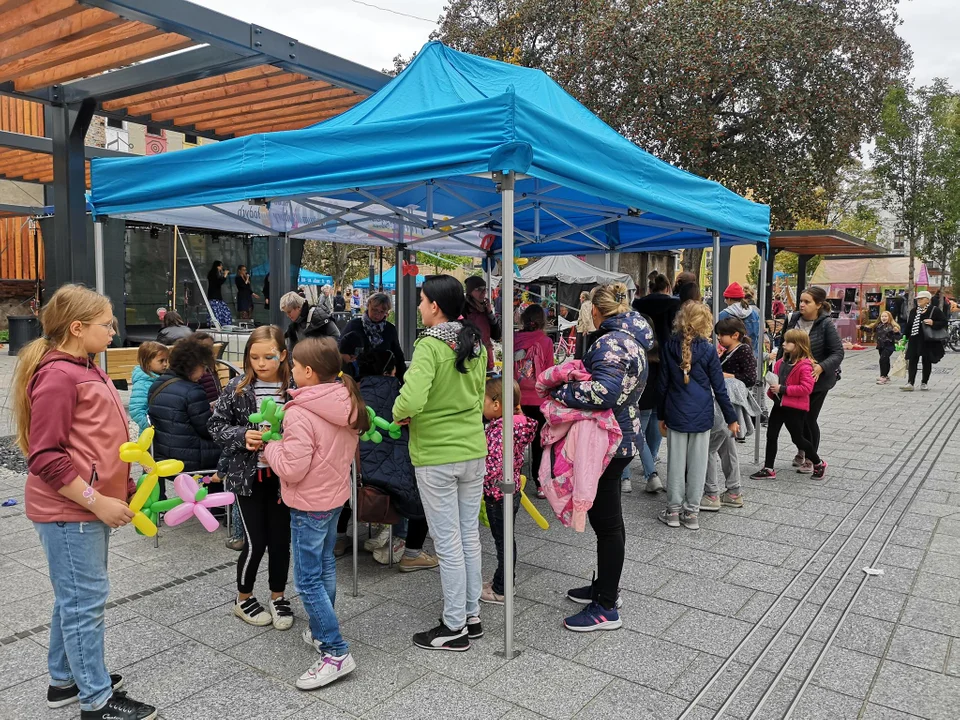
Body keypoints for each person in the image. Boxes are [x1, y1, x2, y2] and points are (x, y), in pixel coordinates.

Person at [14, 285, 156, 720]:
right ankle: (95, 700)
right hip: (70, 511)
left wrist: (124, 487)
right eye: (106, 324)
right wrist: (97, 502)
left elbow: (96, 440)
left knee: (73, 597)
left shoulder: (86, 367)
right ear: (77, 328)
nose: (114, 331)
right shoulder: (59, 376)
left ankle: (65, 680)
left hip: (84, 507)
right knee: (84, 602)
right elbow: (45, 458)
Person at [262, 337, 367, 689]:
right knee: (323, 566)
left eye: (292, 367)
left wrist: (269, 446)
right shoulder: (347, 399)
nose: (289, 372)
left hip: (308, 504)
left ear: (308, 372)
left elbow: (291, 468)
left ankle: (336, 651)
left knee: (307, 578)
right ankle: (322, 632)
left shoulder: (301, 411)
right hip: (335, 497)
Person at [392, 275, 487, 652]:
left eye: (421, 300)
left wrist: (400, 413)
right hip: (471, 449)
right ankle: (471, 615)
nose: (418, 306)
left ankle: (453, 627)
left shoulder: (430, 345)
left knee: (447, 542)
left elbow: (411, 399)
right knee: (468, 537)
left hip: (436, 455)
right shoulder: (474, 342)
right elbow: (480, 395)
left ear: (435, 306)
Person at [553, 283, 652, 632]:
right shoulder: (628, 337)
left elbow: (605, 391)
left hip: (611, 440)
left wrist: (562, 390)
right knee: (608, 522)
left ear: (595, 310)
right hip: (621, 436)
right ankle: (605, 587)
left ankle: (606, 606)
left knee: (607, 524)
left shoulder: (611, 342)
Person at [208, 326, 295, 629]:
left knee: (281, 540)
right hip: (247, 477)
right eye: (254, 357)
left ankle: (278, 596)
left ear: (283, 355)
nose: (261, 363)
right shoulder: (236, 388)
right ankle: (243, 599)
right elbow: (215, 427)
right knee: (256, 541)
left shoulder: (294, 387)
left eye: (268, 356)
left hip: (284, 477)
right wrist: (243, 434)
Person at [658, 302, 739, 530]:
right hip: (702, 413)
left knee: (675, 464)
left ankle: (673, 511)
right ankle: (691, 514)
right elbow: (719, 388)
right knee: (698, 464)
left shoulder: (669, 346)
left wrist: (661, 415)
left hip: (675, 411)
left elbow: (662, 385)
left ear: (681, 320)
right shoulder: (709, 349)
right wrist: (731, 418)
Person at [355, 349, 437, 570]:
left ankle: (347, 540)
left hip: (355, 476)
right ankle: (411, 552)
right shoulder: (399, 393)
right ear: (390, 370)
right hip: (388, 476)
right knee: (422, 491)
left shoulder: (353, 392)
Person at [772, 287, 843, 473]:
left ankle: (812, 458)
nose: (802, 305)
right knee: (796, 418)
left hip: (817, 380)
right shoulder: (793, 319)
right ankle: (802, 449)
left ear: (818, 305)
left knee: (809, 419)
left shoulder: (826, 324)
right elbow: (784, 345)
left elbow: (838, 352)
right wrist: (778, 366)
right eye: (801, 301)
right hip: (793, 377)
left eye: (807, 302)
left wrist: (820, 367)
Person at [480, 378, 538, 605]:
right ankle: (500, 582)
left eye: (481, 400)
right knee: (506, 540)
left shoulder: (499, 431)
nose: (479, 405)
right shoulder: (517, 425)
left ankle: (502, 589)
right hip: (511, 490)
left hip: (497, 494)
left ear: (496, 405)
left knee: (502, 543)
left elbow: (491, 466)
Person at [751, 329, 824, 480]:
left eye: (788, 342)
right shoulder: (779, 363)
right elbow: (776, 381)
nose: (783, 344)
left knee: (798, 439)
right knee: (771, 435)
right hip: (779, 405)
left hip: (795, 408)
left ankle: (818, 463)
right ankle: (769, 468)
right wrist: (773, 390)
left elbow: (806, 388)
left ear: (798, 345)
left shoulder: (805, 365)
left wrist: (782, 389)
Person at [700, 317, 755, 511]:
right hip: (728, 408)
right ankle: (734, 492)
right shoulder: (730, 351)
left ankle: (711, 494)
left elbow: (750, 378)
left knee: (707, 450)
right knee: (727, 450)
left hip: (725, 407)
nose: (719, 339)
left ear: (735, 335)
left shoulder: (743, 351)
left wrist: (724, 375)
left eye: (722, 335)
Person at [147, 336, 221, 476]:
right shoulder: (193, 391)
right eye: (203, 367)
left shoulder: (157, 384)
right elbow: (207, 429)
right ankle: (216, 494)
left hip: (162, 453)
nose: (204, 373)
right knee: (232, 449)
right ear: (192, 365)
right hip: (189, 459)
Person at [514, 303, 554, 496]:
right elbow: (549, 372)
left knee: (516, 442)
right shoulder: (546, 341)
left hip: (516, 397)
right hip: (539, 398)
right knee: (539, 443)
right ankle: (540, 484)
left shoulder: (514, 339)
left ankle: (512, 479)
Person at [340, 292, 407, 381]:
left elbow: (398, 356)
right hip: (356, 379)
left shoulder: (390, 329)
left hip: (382, 381)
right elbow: (340, 351)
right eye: (374, 310)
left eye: (382, 312)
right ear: (368, 307)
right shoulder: (354, 325)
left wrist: (402, 381)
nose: (377, 315)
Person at [633, 313, 663, 494]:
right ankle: (650, 465)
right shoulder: (659, 347)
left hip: (641, 400)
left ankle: (646, 473)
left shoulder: (636, 347)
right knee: (653, 433)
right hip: (657, 398)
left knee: (637, 437)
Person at [902, 290, 947, 391]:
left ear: (927, 300)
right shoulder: (914, 311)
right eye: (918, 299)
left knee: (926, 361)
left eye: (921, 299)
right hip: (914, 339)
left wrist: (933, 323)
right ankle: (910, 382)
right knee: (912, 360)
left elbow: (944, 322)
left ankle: (924, 382)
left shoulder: (934, 310)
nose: (918, 300)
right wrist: (904, 336)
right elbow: (909, 325)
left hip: (927, 340)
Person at [463, 275, 501, 371]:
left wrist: (489, 313)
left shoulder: (485, 309)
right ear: (470, 291)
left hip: (486, 357)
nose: (483, 292)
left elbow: (496, 335)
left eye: (485, 289)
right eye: (479, 289)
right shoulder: (463, 309)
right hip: (470, 357)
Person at [633, 273, 681, 349]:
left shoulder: (638, 303)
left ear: (650, 288)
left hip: (643, 343)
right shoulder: (674, 304)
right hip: (666, 345)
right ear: (667, 288)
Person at [129, 341, 168, 433]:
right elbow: (136, 410)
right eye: (161, 361)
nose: (165, 364)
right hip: (151, 435)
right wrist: (150, 426)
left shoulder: (161, 378)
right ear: (147, 362)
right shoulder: (143, 383)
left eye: (166, 360)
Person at [718, 282, 761, 356]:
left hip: (730, 356)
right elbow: (757, 335)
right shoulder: (754, 313)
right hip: (751, 355)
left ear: (729, 299)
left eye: (726, 299)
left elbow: (719, 338)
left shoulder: (723, 315)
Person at [861, 310, 901, 385]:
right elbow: (870, 330)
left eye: (885, 316)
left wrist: (896, 332)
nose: (884, 318)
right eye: (882, 316)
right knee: (886, 360)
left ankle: (883, 376)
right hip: (880, 346)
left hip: (889, 346)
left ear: (889, 317)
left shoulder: (892, 326)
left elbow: (898, 337)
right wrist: (861, 327)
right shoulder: (878, 325)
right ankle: (886, 375)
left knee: (882, 359)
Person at [193, 331, 222, 405]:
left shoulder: (210, 366)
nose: (210, 351)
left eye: (211, 347)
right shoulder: (194, 370)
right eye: (205, 348)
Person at [206, 260, 233, 327]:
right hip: (214, 297)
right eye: (221, 266)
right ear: (218, 266)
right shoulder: (213, 274)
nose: (222, 267)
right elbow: (219, 283)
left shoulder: (214, 274)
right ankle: (216, 325)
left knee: (223, 311)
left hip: (216, 297)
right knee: (216, 312)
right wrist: (225, 275)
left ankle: (222, 324)